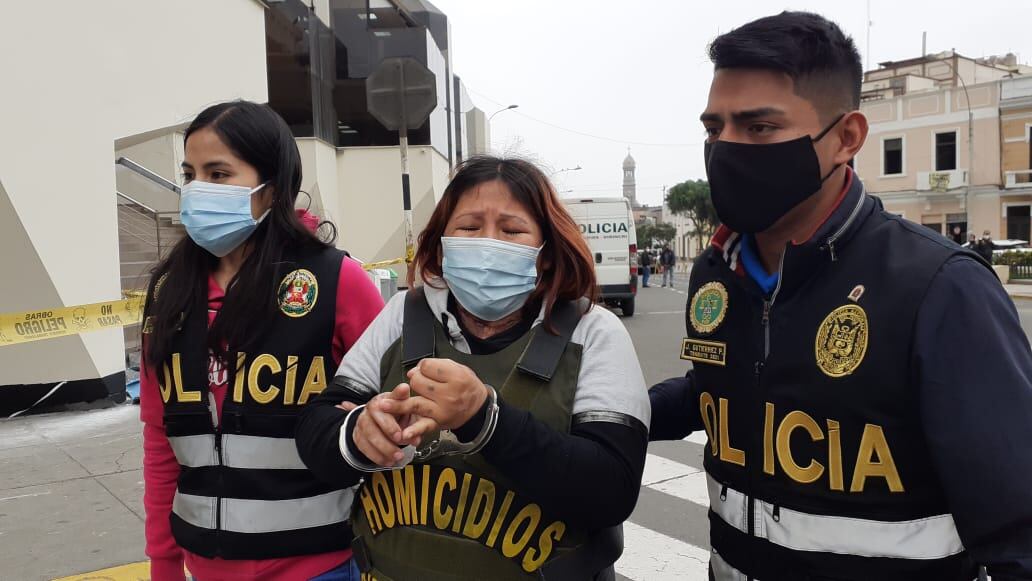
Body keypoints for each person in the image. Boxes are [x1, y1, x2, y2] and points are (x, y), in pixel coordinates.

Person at [649, 12, 1032, 580]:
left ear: (846, 138)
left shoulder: (939, 287)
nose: (725, 149)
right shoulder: (718, 272)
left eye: (758, 128)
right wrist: (593, 406)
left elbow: (1018, 531)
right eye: (714, 128)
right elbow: (723, 384)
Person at [296, 156, 650, 581]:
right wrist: (358, 434)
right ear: (443, 245)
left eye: (512, 230)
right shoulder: (403, 315)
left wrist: (484, 419)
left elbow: (610, 490)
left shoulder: (594, 333)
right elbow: (318, 427)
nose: (488, 243)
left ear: (547, 255)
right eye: (469, 227)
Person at [139, 101, 385, 581]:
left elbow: (389, 415)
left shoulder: (337, 282)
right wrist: (164, 563)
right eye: (190, 174)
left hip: (319, 566)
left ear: (271, 188)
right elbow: (159, 439)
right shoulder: (171, 293)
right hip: (202, 566)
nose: (198, 190)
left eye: (219, 173)